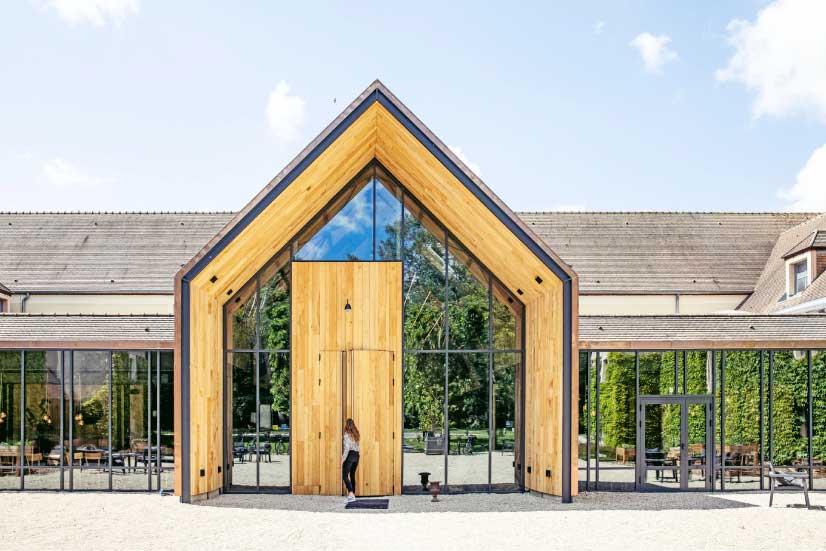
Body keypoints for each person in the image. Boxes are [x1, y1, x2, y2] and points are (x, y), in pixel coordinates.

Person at [342, 418, 360, 503]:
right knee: (352, 475)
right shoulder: (356, 434)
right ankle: (353, 495)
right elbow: (357, 447)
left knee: (345, 475)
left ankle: (351, 494)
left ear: (346, 425)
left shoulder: (346, 434)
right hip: (356, 455)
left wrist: (342, 459)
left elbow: (347, 448)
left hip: (350, 455)